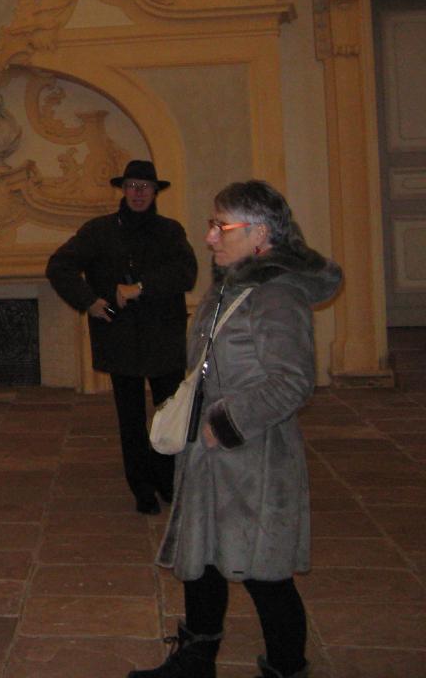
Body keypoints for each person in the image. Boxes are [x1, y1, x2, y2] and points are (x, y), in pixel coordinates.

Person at [128, 181, 340, 678]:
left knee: (265, 573)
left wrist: (223, 425)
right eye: (212, 225)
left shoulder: (277, 295)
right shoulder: (233, 284)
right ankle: (196, 658)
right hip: (210, 455)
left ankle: (286, 667)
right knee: (202, 558)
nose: (210, 237)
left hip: (252, 458)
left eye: (221, 227)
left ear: (260, 234)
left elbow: (292, 381)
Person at [46, 159, 198, 514]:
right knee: (130, 420)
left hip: (163, 336)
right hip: (121, 339)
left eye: (144, 187)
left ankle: (168, 481)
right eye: (132, 186)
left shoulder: (170, 231)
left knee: (169, 414)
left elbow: (185, 273)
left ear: (155, 191)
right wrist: (89, 301)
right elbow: (59, 266)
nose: (138, 193)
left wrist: (141, 287)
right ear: (123, 189)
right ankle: (142, 488)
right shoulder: (99, 231)